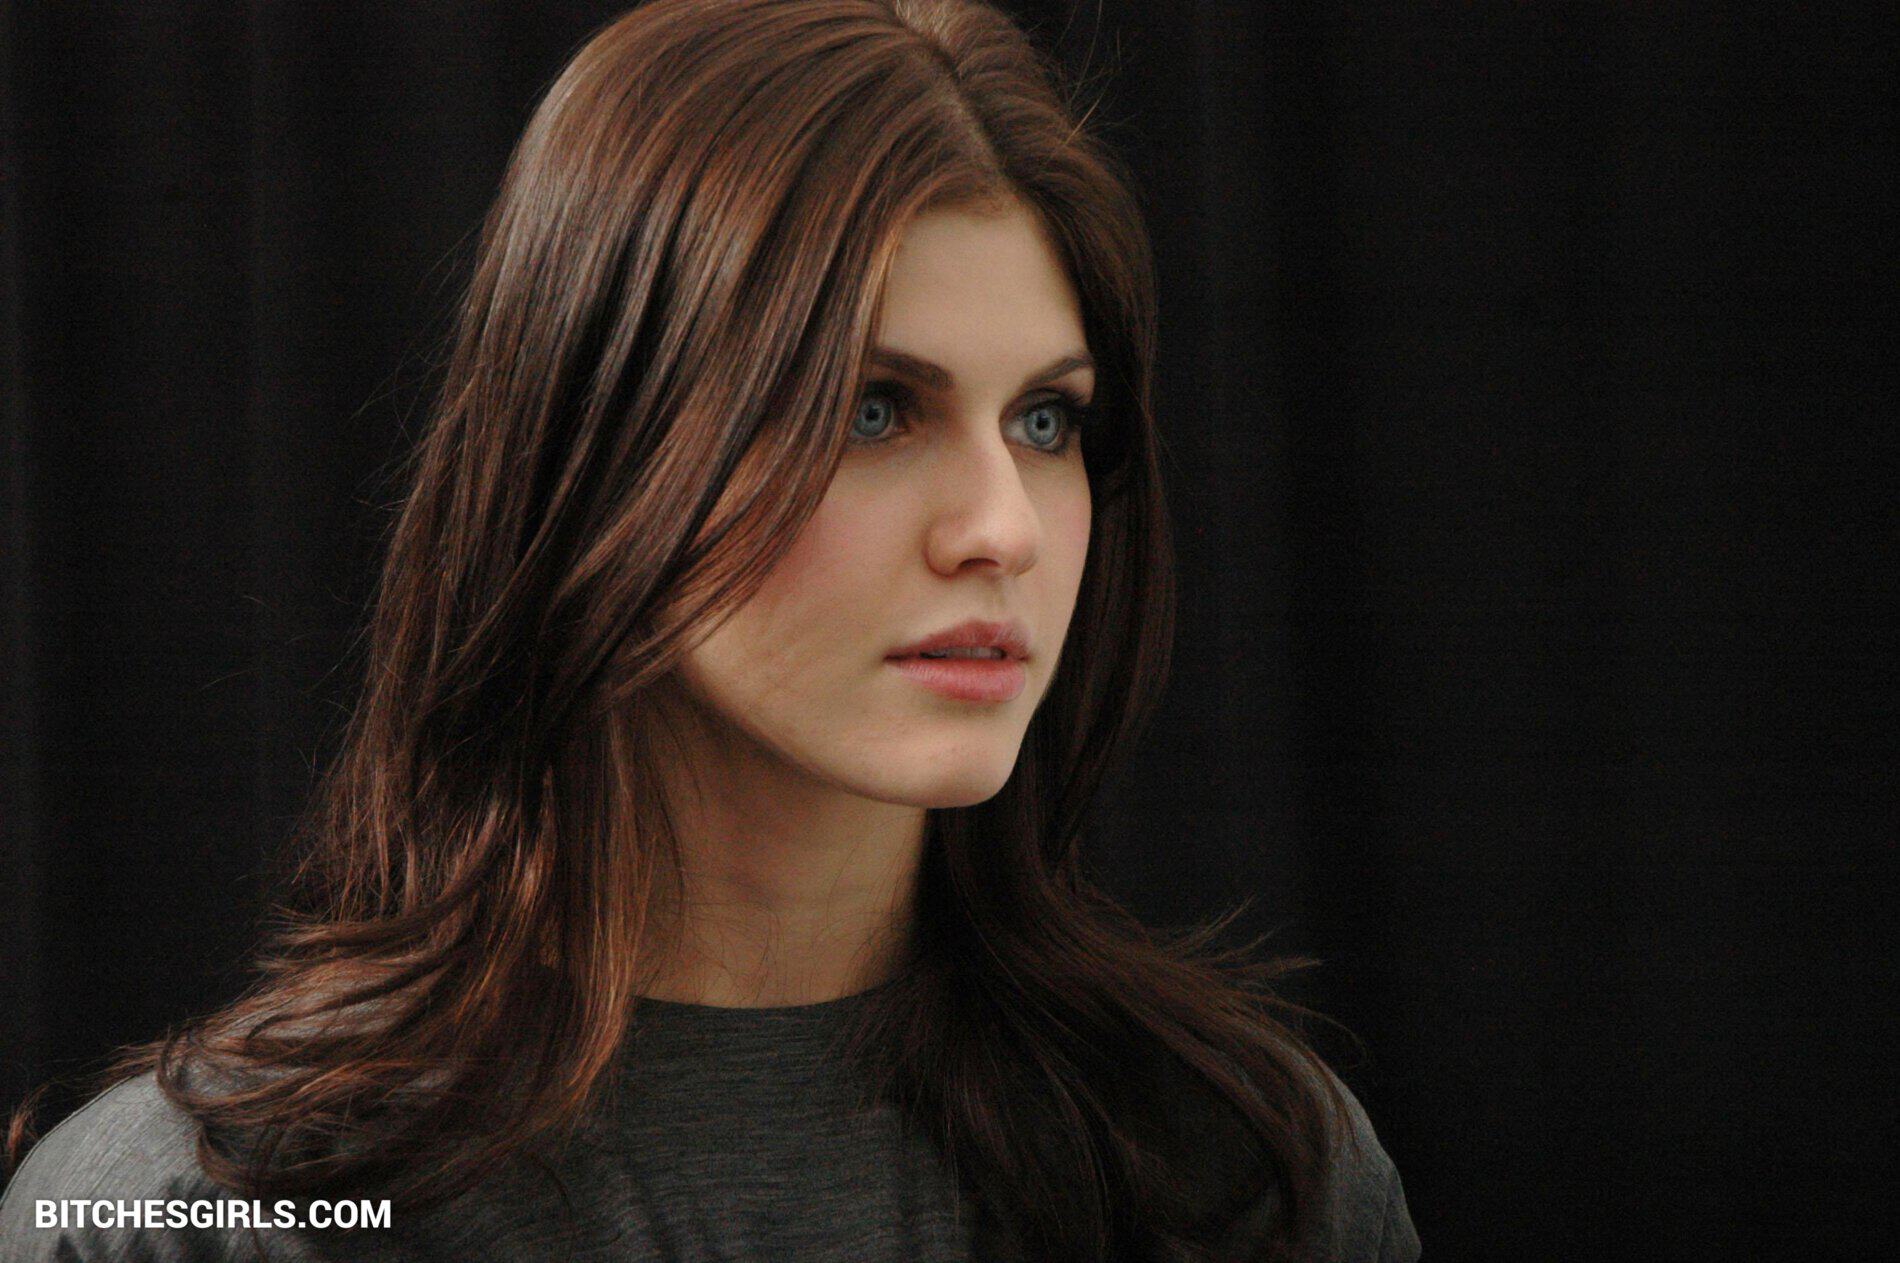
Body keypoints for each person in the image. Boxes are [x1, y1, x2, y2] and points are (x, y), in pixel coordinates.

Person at [0, 1, 1420, 1259]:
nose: (1006, 527)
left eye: (1046, 421)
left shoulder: (1247, 1176)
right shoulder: (206, 1213)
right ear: (601, 449)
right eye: (874, 409)